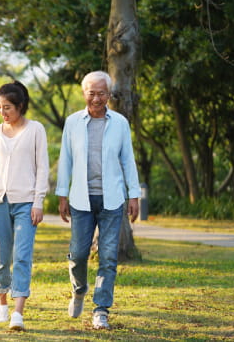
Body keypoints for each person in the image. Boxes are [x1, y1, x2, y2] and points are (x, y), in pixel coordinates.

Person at [55, 71, 141, 329]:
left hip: (112, 199)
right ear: (84, 94)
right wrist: (62, 194)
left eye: (101, 93)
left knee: (108, 257)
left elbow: (128, 160)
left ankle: (101, 309)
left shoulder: (120, 123)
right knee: (79, 254)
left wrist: (133, 193)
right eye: (91, 93)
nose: (96, 98)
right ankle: (79, 290)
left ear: (108, 95)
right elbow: (66, 159)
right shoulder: (72, 122)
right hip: (81, 199)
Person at [0, 81, 49, 330]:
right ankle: (2, 304)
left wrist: (38, 201)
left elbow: (42, 168)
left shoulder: (36, 130)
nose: (2, 112)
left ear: (21, 106)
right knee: (1, 256)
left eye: (7, 107)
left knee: (22, 256)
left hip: (26, 203)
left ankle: (18, 312)